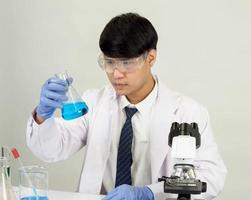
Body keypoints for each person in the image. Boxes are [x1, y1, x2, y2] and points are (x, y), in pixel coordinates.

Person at [26, 13, 227, 200]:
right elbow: (52, 150)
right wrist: (44, 116)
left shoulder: (187, 112)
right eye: (109, 62)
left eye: (126, 63)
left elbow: (211, 176)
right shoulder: (94, 102)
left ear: (151, 58)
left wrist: (149, 193)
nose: (116, 73)